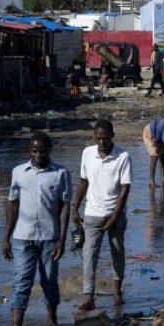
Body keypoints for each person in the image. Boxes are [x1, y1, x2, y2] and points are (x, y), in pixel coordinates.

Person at [2, 132, 71, 326]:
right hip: (23, 237)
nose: (38, 155)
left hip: (49, 238)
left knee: (49, 281)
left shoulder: (60, 173)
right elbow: (12, 205)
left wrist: (62, 239)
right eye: (34, 151)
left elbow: (65, 206)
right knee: (22, 281)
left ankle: (52, 321)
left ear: (49, 151)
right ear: (29, 151)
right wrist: (6, 238)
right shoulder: (18, 172)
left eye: (42, 151)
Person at [72, 120, 131, 311]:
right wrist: (75, 207)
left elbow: (124, 189)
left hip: (115, 214)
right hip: (92, 214)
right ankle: (88, 296)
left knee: (117, 252)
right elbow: (83, 182)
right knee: (89, 255)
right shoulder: (87, 153)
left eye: (105, 138)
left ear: (112, 136)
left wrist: (115, 215)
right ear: (94, 137)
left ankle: (117, 291)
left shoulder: (123, 156)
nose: (102, 142)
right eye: (98, 138)